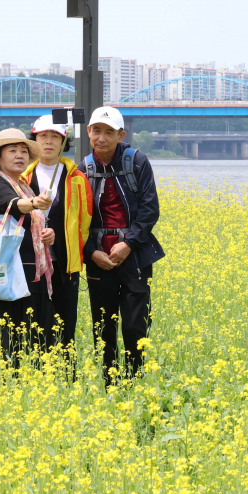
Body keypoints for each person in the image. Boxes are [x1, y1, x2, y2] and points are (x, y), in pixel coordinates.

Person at [81, 106, 165, 385]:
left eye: (109, 132)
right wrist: (91, 252)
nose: (101, 138)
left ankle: (135, 380)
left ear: (121, 135)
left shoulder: (137, 162)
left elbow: (149, 209)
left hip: (134, 256)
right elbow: (74, 219)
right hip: (99, 258)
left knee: (134, 323)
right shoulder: (83, 169)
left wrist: (128, 244)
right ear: (88, 132)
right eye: (96, 131)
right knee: (103, 325)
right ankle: (109, 383)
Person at [0, 129, 56, 366]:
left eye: (23, 151)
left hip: (32, 272)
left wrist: (48, 234)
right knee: (8, 335)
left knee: (35, 337)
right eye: (12, 151)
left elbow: (31, 223)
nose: (20, 155)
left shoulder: (24, 187)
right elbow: (11, 205)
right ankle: (3, 380)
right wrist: (34, 203)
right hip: (7, 272)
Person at [22, 115, 93, 358]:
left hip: (65, 266)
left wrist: (70, 248)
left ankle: (66, 374)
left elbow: (85, 223)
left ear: (64, 142)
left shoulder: (77, 178)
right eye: (43, 136)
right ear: (34, 140)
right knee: (33, 326)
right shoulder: (23, 176)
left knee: (65, 326)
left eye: (55, 137)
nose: (49, 141)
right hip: (30, 265)